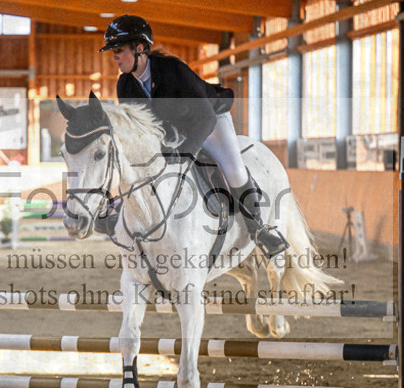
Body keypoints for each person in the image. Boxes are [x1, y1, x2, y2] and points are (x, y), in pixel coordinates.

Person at [98, 15, 288, 258]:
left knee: (233, 169)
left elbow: (205, 118)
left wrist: (185, 153)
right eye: (112, 51)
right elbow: (140, 129)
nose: (114, 56)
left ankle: (259, 228)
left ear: (140, 48)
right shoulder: (125, 84)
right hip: (172, 131)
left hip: (210, 119)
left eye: (118, 50)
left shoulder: (173, 71)